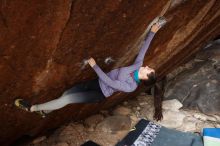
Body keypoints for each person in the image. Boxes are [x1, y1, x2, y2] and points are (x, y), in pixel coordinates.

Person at [15, 17, 167, 120]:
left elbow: (110, 82)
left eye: (149, 70)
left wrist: (94, 65)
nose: (147, 66)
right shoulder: (137, 66)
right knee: (67, 93)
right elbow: (144, 49)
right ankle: (45, 111)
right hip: (95, 82)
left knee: (67, 99)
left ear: (146, 77)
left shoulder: (131, 87)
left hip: (99, 93)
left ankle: (32, 108)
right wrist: (153, 32)